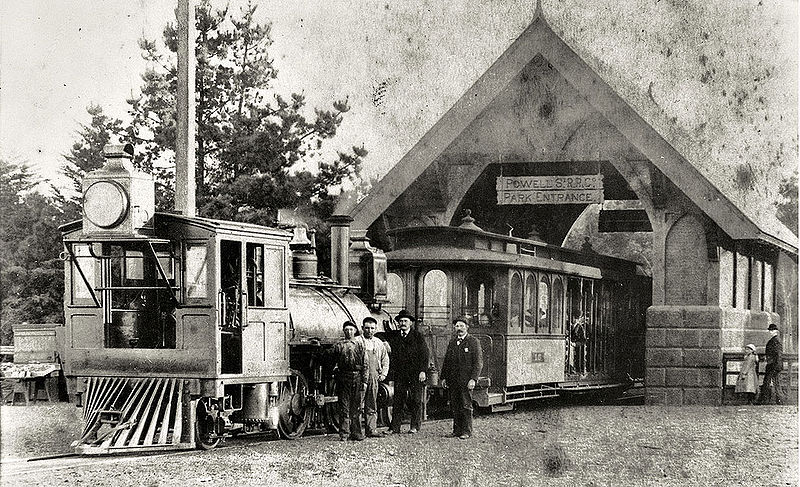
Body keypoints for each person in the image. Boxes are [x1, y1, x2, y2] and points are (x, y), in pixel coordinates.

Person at [387, 309, 429, 434]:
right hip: (401, 374)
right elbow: (381, 334)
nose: (403, 323)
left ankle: (414, 426)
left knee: (416, 400)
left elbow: (425, 354)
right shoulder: (395, 336)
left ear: (410, 323)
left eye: (405, 321)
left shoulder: (418, 336)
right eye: (401, 321)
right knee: (398, 400)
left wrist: (423, 371)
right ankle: (395, 427)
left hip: (415, 373)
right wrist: (383, 342)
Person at [441, 317, 483, 440]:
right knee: (455, 405)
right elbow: (447, 361)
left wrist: (473, 379)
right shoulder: (452, 342)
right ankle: (456, 430)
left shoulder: (473, 342)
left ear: (467, 327)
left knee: (466, 405)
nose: (459, 329)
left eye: (461, 326)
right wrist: (444, 377)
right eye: (457, 326)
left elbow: (478, 363)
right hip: (453, 380)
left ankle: (466, 431)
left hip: (466, 380)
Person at [332, 321, 367, 441]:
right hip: (343, 377)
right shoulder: (339, 345)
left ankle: (356, 432)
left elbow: (365, 364)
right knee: (344, 406)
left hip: (357, 377)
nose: (349, 332)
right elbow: (331, 359)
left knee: (356, 407)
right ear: (343, 331)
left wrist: (365, 381)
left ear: (355, 331)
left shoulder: (360, 345)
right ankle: (344, 433)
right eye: (346, 329)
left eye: (351, 329)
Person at [357, 316, 390, 438]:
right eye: (367, 328)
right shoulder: (357, 341)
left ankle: (371, 430)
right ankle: (357, 432)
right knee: (357, 404)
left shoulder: (378, 343)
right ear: (362, 328)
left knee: (372, 404)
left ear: (375, 329)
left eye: (372, 328)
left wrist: (384, 374)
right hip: (360, 378)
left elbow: (385, 359)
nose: (369, 331)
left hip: (374, 377)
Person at [759, 323, 784, 405]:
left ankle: (766, 400)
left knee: (770, 382)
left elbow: (778, 354)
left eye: (772, 330)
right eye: (770, 330)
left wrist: (776, 365)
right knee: (771, 382)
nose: (770, 332)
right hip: (773, 364)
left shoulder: (776, 340)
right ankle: (775, 400)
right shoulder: (775, 340)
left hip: (773, 365)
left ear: (776, 331)